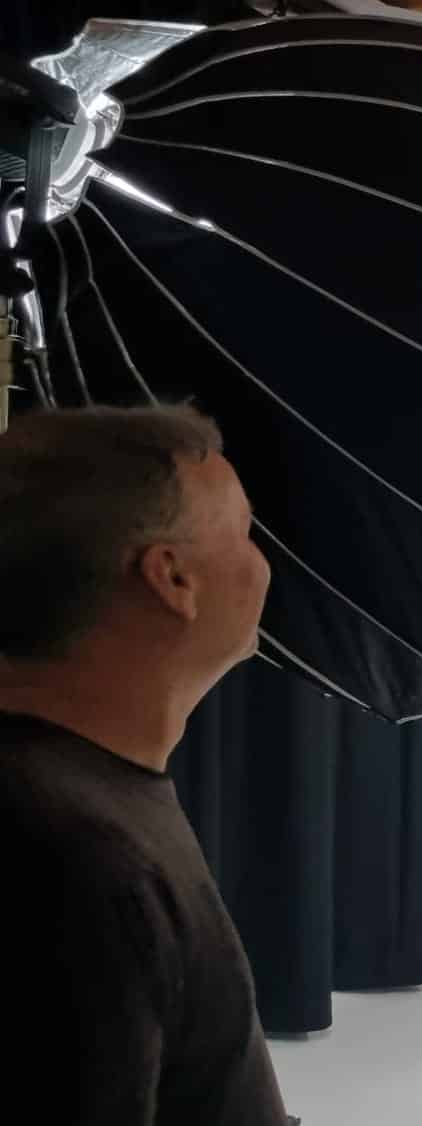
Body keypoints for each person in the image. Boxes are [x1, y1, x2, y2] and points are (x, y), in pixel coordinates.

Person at [0, 404, 285, 1125]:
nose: (262, 564)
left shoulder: (93, 794)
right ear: (172, 579)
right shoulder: (76, 865)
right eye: (245, 533)